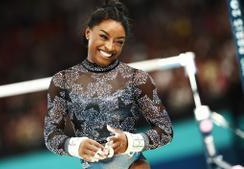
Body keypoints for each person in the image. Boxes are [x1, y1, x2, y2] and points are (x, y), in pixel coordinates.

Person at [44, 0, 173, 168]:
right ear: (88, 32)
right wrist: (76, 146)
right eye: (104, 37)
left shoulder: (136, 78)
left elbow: (166, 130)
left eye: (119, 41)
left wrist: (130, 142)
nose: (110, 47)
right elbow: (50, 135)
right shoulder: (63, 81)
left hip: (133, 164)